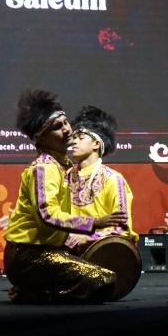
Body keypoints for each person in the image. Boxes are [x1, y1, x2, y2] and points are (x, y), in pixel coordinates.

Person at [2, 89, 129, 303]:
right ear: (41, 138)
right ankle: (35, 293)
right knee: (103, 281)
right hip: (29, 256)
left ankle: (34, 290)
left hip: (47, 251)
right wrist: (95, 223)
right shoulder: (44, 168)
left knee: (106, 279)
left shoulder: (63, 166)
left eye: (65, 122)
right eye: (57, 127)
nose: (67, 130)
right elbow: (48, 216)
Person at [60, 105, 138, 251]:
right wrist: (74, 241)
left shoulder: (112, 179)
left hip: (102, 251)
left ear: (96, 144)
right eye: (74, 137)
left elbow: (121, 228)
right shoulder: (65, 177)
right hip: (68, 249)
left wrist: (87, 240)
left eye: (81, 137)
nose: (74, 142)